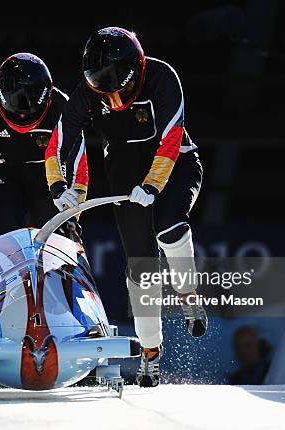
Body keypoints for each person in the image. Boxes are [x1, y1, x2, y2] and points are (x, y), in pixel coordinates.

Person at [44, 27, 207, 387]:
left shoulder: (163, 78)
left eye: (120, 87)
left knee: (170, 226)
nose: (114, 98)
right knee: (141, 263)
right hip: (124, 170)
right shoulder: (87, 93)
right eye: (105, 90)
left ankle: (188, 293)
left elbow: (171, 137)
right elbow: (61, 141)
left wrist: (152, 184)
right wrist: (59, 187)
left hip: (175, 161)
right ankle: (151, 351)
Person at [0, 53, 87, 245]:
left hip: (46, 175)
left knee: (51, 223)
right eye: (16, 100)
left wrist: (70, 216)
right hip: (2, 174)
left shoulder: (63, 108)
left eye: (30, 102)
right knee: (1, 217)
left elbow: (76, 163)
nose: (23, 112)